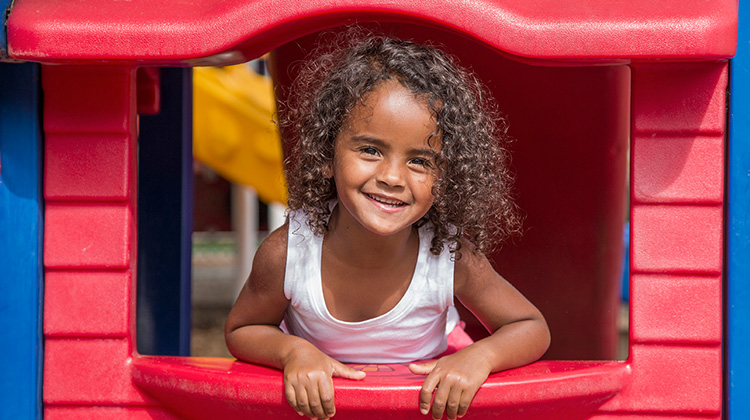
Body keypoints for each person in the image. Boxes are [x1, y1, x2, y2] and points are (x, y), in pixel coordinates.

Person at [225, 30, 550, 420]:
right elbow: (241, 331)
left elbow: (530, 326)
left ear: (446, 177)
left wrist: (479, 357)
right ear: (327, 154)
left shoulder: (447, 255)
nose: (393, 177)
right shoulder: (289, 253)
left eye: (419, 161)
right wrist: (292, 351)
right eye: (370, 150)